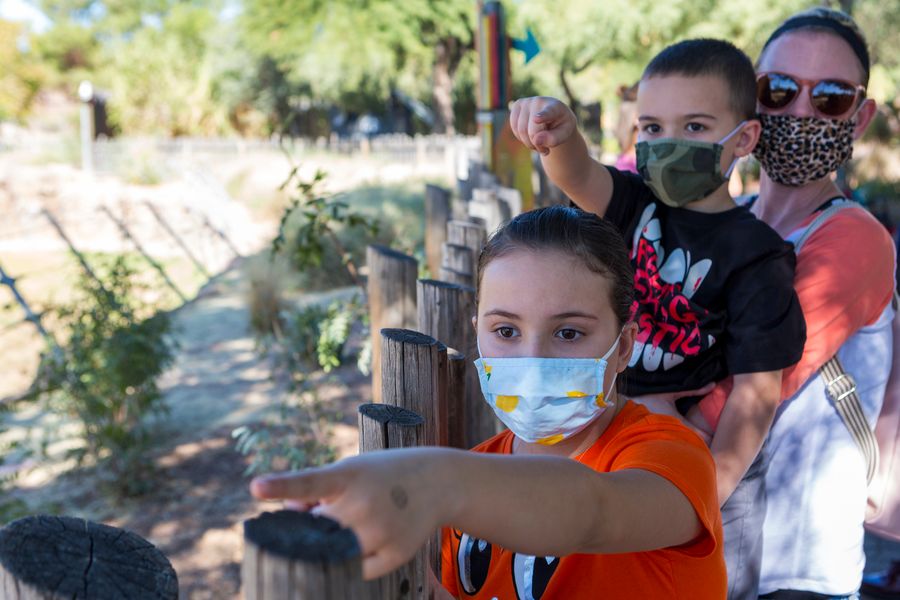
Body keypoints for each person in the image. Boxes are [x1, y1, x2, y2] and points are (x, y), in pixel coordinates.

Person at [253, 206, 727, 598]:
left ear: (624, 345)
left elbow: (592, 509)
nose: (533, 358)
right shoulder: (476, 477)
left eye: (568, 333)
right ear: (477, 329)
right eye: (505, 331)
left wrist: (433, 483)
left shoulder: (672, 460)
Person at [508, 38, 806, 599]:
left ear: (741, 139)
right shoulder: (633, 203)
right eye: (651, 128)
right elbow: (578, 176)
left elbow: (756, 394)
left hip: (710, 471)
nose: (667, 143)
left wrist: (702, 497)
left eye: (694, 128)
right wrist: (560, 133)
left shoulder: (758, 255)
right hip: (613, 442)